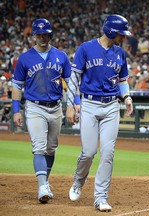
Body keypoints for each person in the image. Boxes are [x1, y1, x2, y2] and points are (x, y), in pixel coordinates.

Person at [65, 14, 133, 212]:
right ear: (111, 31)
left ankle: (101, 197)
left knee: (108, 152)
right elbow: (74, 79)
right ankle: (78, 181)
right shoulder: (85, 48)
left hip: (112, 105)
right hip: (90, 104)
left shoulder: (120, 53)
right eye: (121, 33)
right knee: (88, 152)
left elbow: (122, 80)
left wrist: (127, 97)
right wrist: (71, 104)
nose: (123, 37)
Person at [12, 18, 71, 204]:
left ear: (50, 34)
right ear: (34, 36)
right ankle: (42, 187)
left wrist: (73, 104)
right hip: (34, 106)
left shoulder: (61, 56)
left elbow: (71, 83)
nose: (43, 37)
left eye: (45, 34)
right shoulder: (25, 58)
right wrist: (16, 110)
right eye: (39, 34)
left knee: (51, 148)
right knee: (39, 147)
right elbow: (16, 86)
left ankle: (45, 181)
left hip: (56, 107)